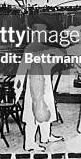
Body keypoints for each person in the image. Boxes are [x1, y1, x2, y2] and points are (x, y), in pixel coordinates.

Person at [14, 23, 68, 152]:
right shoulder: (31, 48)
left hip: (45, 85)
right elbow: (22, 69)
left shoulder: (43, 47)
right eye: (42, 32)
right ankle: (29, 143)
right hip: (34, 87)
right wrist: (17, 89)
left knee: (47, 110)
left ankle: (45, 136)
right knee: (32, 114)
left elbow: (53, 60)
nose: (45, 34)